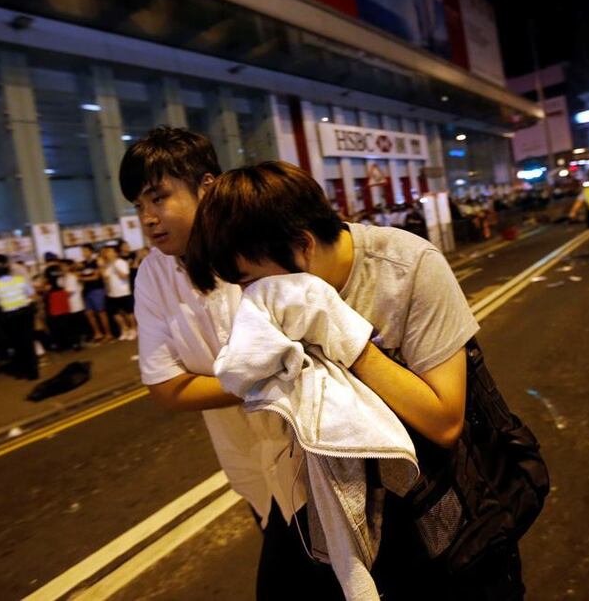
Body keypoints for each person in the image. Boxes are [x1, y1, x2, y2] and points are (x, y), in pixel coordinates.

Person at [186, 161, 524, 600]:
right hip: (347, 506)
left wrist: (346, 338)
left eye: (251, 280)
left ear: (303, 246)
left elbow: (444, 421)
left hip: (447, 508)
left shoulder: (408, 267)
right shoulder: (278, 290)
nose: (250, 298)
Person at [119, 128, 316, 597]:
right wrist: (267, 378)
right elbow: (166, 387)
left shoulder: (262, 242)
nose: (148, 218)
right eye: (138, 207)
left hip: (320, 457)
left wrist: (232, 382)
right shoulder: (153, 275)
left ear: (207, 185)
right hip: (255, 475)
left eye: (158, 198)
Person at [0, 254, 38, 380]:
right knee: (28, 342)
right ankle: (33, 372)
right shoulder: (19, 280)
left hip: (9, 317)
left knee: (16, 344)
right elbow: (32, 295)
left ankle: (22, 370)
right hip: (25, 314)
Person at [100, 245, 137, 341]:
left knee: (129, 312)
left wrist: (114, 265)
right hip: (112, 293)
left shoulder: (121, 262)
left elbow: (124, 276)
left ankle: (133, 329)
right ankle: (124, 329)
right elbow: (105, 278)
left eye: (110, 252)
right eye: (107, 252)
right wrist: (103, 267)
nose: (107, 254)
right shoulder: (107, 265)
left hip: (123, 292)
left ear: (115, 253)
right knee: (115, 314)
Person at [79, 244, 110, 342]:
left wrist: (81, 278)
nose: (83, 253)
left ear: (90, 251)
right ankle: (98, 334)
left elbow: (96, 277)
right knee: (89, 313)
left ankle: (108, 334)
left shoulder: (97, 261)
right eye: (82, 251)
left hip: (97, 289)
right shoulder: (82, 264)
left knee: (101, 312)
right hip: (87, 291)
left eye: (85, 251)